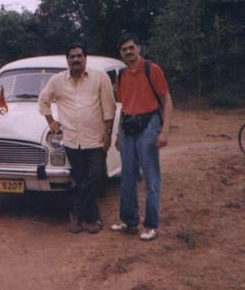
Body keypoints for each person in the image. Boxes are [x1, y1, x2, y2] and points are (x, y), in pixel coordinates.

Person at [39, 43, 116, 234]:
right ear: (67, 60)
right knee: (81, 179)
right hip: (72, 140)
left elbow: (109, 107)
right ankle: (92, 218)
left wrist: (108, 133)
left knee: (96, 177)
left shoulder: (100, 77)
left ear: (85, 58)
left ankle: (76, 214)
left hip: (95, 138)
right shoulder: (57, 81)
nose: (76, 59)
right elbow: (43, 99)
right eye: (72, 57)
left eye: (79, 56)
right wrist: (51, 122)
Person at [110, 33, 173, 241]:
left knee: (151, 176)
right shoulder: (121, 75)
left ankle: (151, 225)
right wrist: (119, 134)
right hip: (128, 126)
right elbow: (124, 106)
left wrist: (164, 131)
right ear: (121, 54)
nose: (128, 52)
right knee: (127, 175)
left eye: (131, 47)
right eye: (124, 50)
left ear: (139, 48)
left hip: (149, 124)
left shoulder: (152, 69)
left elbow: (167, 100)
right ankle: (129, 221)